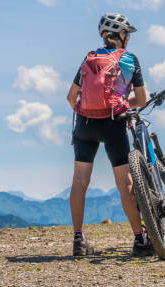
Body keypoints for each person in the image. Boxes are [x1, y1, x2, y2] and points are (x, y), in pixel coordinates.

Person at [66, 13, 153, 257]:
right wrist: (122, 103)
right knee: (124, 183)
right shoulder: (129, 59)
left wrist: (85, 113)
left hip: (84, 124)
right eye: (128, 33)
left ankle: (78, 240)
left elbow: (71, 97)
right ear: (121, 34)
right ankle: (139, 239)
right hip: (113, 124)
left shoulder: (89, 58)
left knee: (80, 181)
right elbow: (142, 99)